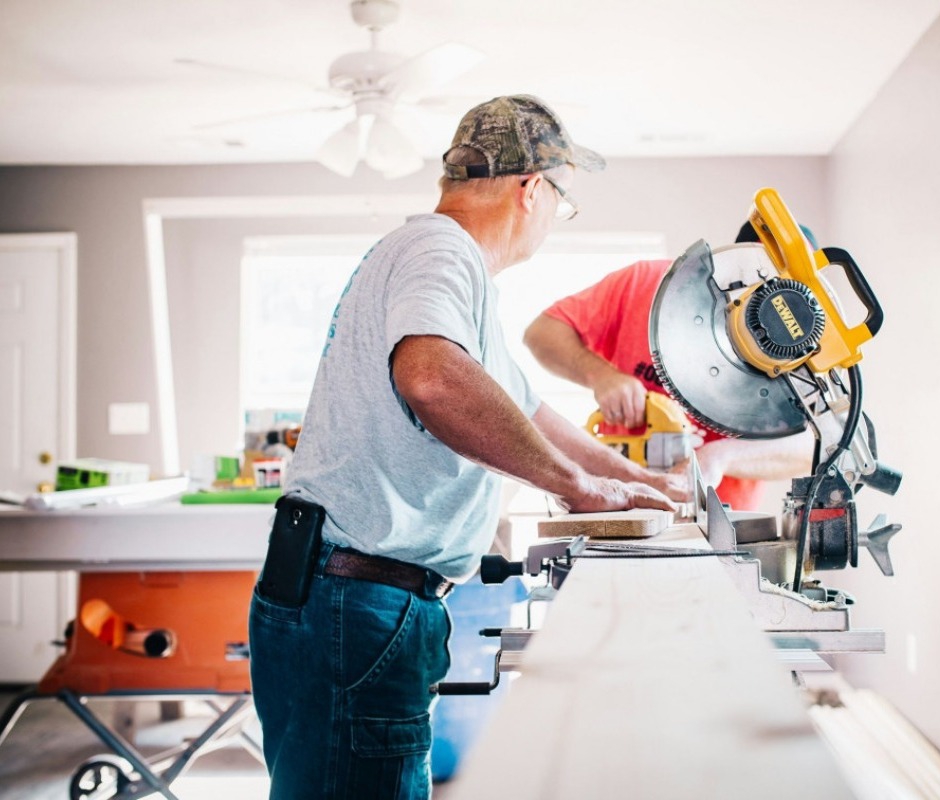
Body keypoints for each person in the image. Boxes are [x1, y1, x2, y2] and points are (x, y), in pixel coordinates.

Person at [248, 95, 688, 800]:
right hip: (354, 601)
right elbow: (431, 379)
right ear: (532, 188)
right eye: (561, 202)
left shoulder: (451, 274)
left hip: (351, 597)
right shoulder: (439, 249)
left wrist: (634, 485)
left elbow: (533, 412)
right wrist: (578, 488)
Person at [523, 221, 819, 511]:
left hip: (719, 521)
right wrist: (600, 375)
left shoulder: (799, 349)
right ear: (734, 258)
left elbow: (813, 447)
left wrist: (720, 456)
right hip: (617, 502)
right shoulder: (645, 284)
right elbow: (542, 333)